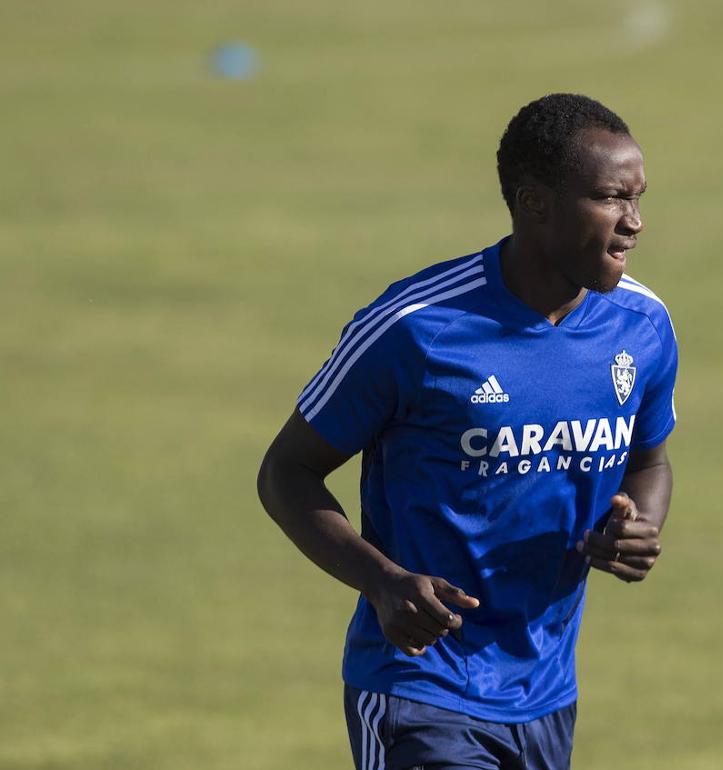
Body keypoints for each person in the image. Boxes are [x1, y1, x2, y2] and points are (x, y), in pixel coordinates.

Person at [256, 93, 677, 770]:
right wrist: (384, 581)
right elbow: (286, 471)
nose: (635, 223)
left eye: (638, 198)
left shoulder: (643, 326)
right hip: (419, 687)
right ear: (535, 203)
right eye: (609, 199)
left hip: (545, 691)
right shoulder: (414, 328)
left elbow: (649, 462)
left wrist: (637, 528)